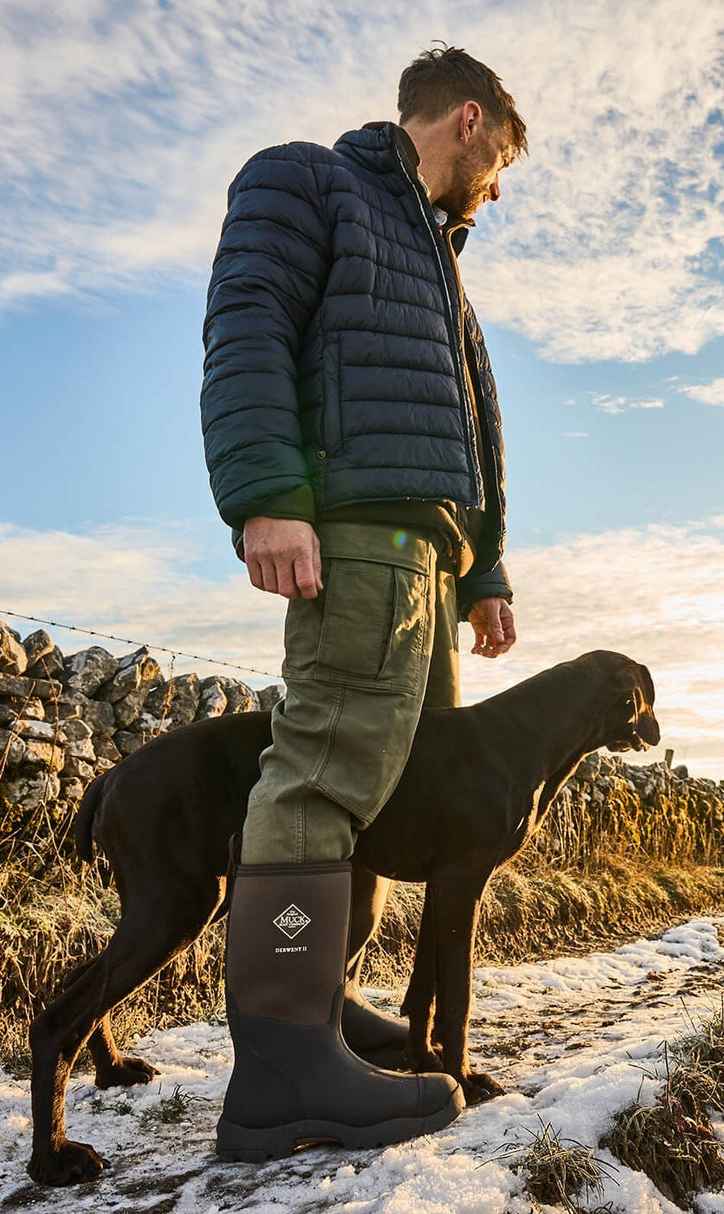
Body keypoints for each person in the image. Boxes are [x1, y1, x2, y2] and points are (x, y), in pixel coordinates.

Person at [199, 46, 526, 1161]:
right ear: (470, 122)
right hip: (355, 536)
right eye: (500, 165)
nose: (495, 190)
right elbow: (246, 320)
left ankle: (326, 1012)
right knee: (325, 772)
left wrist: (481, 569)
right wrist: (266, 498)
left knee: (401, 794)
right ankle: (283, 1071)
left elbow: (477, 425)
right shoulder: (310, 182)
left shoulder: (441, 258)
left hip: (429, 561)